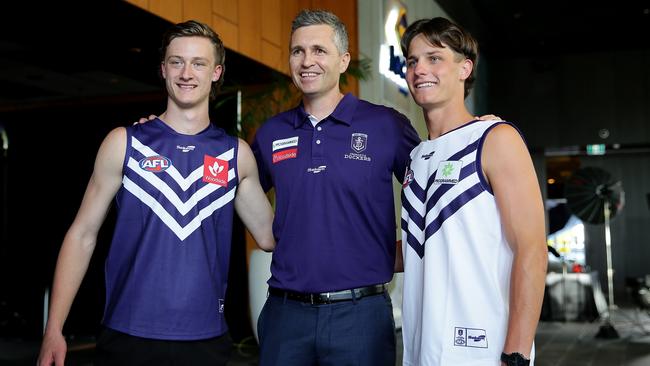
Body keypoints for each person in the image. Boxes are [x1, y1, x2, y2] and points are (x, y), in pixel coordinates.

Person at [37, 20, 274, 366]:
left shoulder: (236, 155)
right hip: (127, 336)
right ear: (163, 69)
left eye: (199, 63)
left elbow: (271, 236)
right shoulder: (124, 143)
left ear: (216, 72)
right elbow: (82, 234)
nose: (186, 73)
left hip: (205, 339)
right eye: (177, 61)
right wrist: (53, 328)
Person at [250, 9, 420, 366]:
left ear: (344, 61)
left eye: (318, 50)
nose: (306, 61)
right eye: (298, 51)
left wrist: (407, 254)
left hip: (360, 316)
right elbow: (236, 191)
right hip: (285, 316)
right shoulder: (271, 133)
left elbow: (433, 194)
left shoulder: (386, 125)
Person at [399, 17, 547, 366]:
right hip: (422, 350)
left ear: (465, 68)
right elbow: (420, 247)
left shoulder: (495, 139)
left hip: (482, 350)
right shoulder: (416, 158)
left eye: (434, 58)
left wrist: (516, 353)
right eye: (412, 61)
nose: (420, 69)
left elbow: (532, 250)